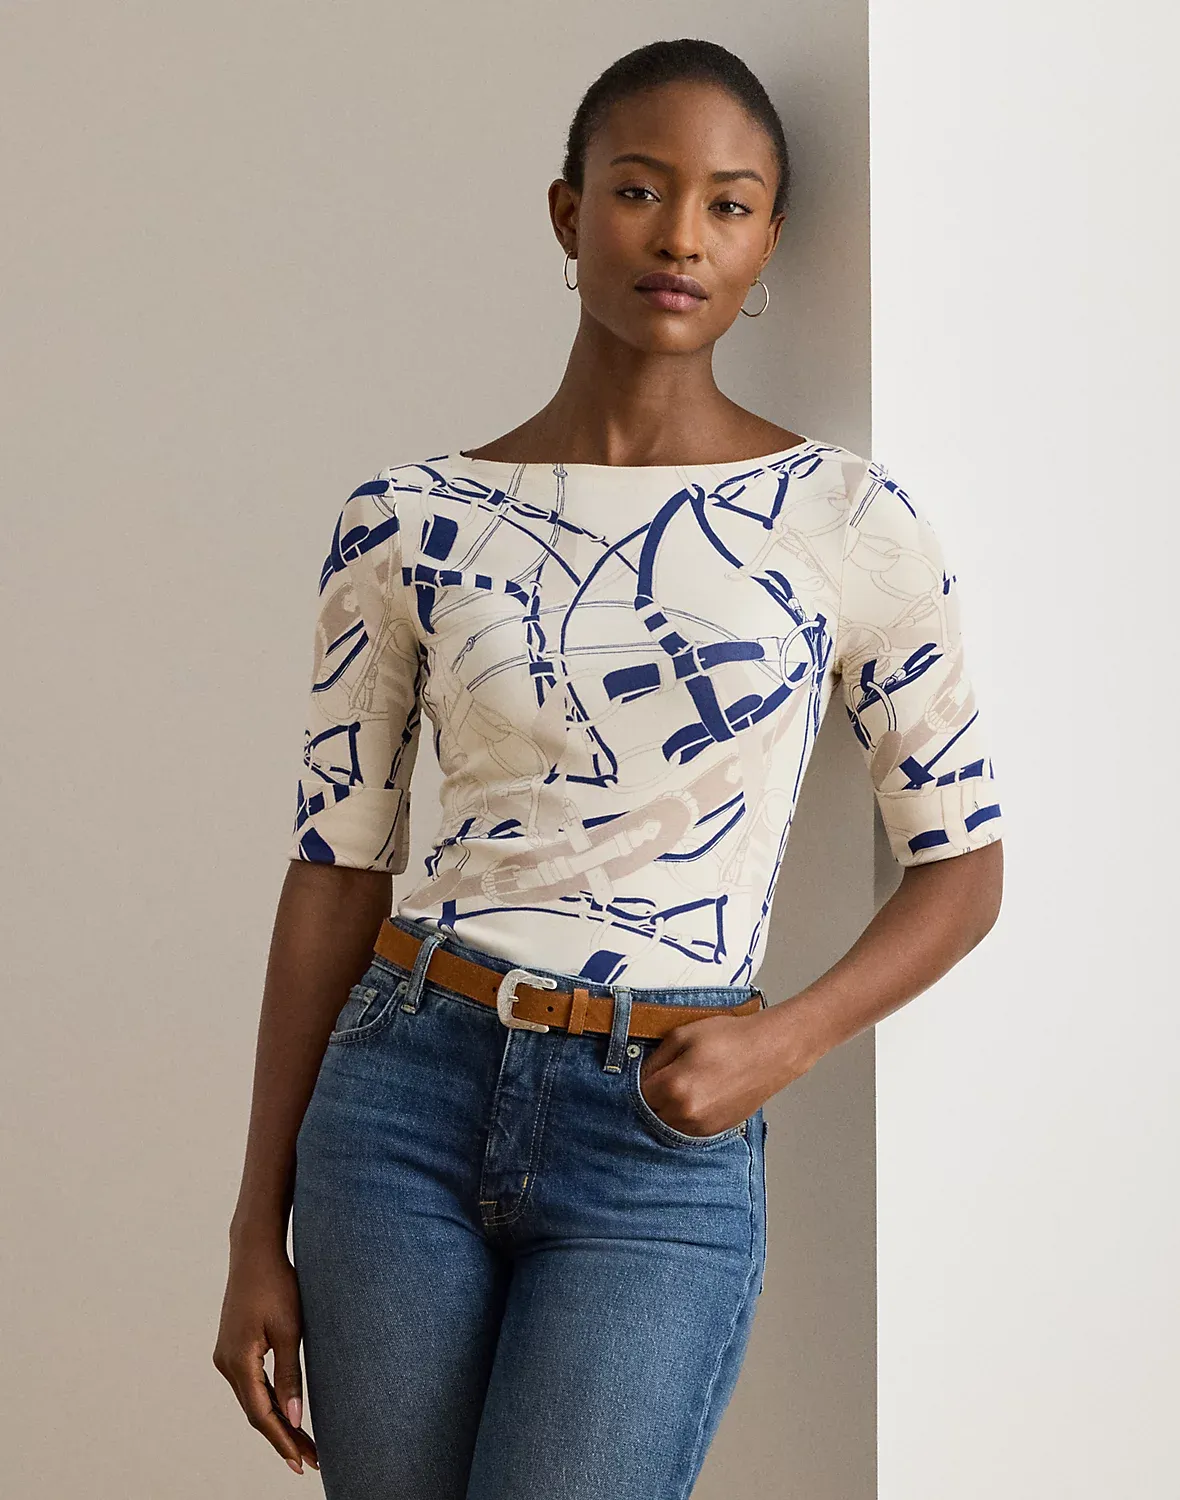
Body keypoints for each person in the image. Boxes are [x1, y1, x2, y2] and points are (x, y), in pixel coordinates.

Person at [213, 36, 1004, 1500]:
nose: (682, 235)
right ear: (569, 213)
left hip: (658, 1129)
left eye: (729, 203)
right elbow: (334, 870)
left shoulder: (846, 523)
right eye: (641, 191)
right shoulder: (408, 519)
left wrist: (784, 1041)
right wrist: (256, 1226)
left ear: (767, 244)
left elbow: (962, 867)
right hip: (399, 1100)